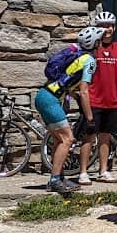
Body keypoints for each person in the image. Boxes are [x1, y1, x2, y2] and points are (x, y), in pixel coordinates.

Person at [35, 25, 104, 195]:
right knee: (68, 139)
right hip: (51, 100)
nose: (102, 44)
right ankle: (55, 180)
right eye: (100, 41)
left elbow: (70, 85)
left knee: (60, 141)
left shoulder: (77, 56)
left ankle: (59, 176)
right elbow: (84, 90)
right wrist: (89, 118)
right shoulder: (89, 61)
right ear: (96, 43)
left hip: (44, 95)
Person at [79, 10, 117, 183]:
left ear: (114, 27)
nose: (106, 29)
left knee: (106, 137)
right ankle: (83, 171)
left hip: (112, 100)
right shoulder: (92, 48)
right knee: (89, 137)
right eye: (102, 26)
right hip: (93, 99)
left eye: (109, 26)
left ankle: (103, 170)